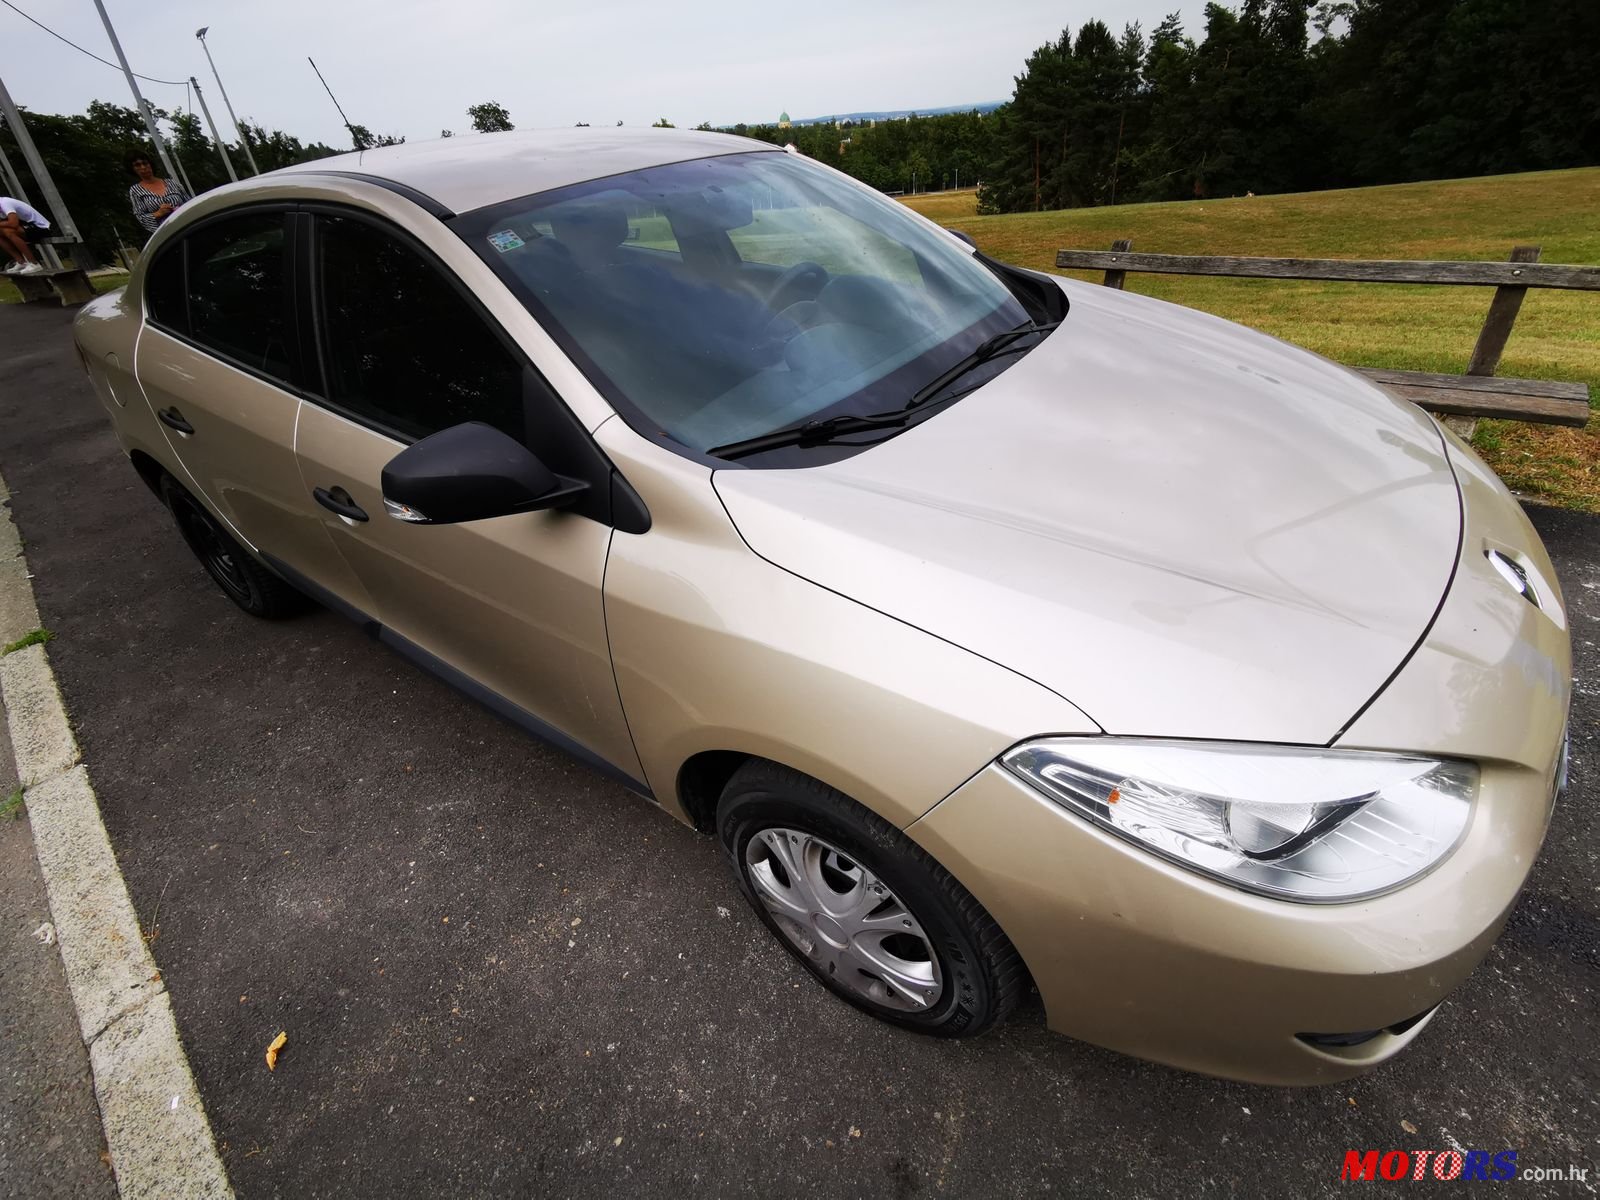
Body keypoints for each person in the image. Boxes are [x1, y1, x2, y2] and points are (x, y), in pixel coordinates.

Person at [127, 153, 190, 235]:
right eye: (137, 165)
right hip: (167, 234)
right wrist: (158, 213)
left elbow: (189, 203)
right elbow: (140, 217)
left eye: (145, 163)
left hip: (188, 226)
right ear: (133, 169)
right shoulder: (135, 190)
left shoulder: (172, 183)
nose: (143, 167)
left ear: (150, 164)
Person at [0, 195, 50, 276]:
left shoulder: (5, 203)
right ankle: (21, 262)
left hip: (41, 228)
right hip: (27, 228)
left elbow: (13, 223)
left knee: (8, 231)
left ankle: (34, 263)